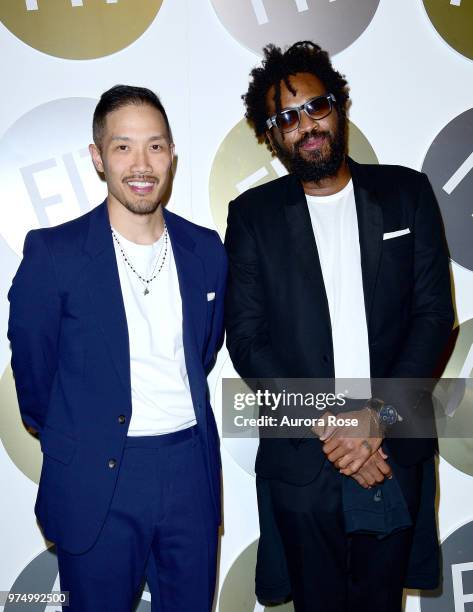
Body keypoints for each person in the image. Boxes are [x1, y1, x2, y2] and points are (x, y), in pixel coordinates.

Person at [224, 41, 453, 612]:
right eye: (287, 117)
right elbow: (248, 342)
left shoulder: (407, 194)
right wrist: (335, 425)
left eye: (317, 106)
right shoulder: (251, 217)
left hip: (391, 450)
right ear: (271, 136)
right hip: (306, 458)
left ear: (340, 106)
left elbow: (434, 317)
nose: (307, 126)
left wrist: (373, 418)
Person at [8, 85, 227, 612]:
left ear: (172, 153)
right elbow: (35, 382)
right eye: (123, 146)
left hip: (189, 472)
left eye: (155, 146)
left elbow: (204, 350)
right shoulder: (53, 254)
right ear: (98, 157)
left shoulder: (206, 250)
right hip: (95, 477)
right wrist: (77, 432)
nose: (141, 163)